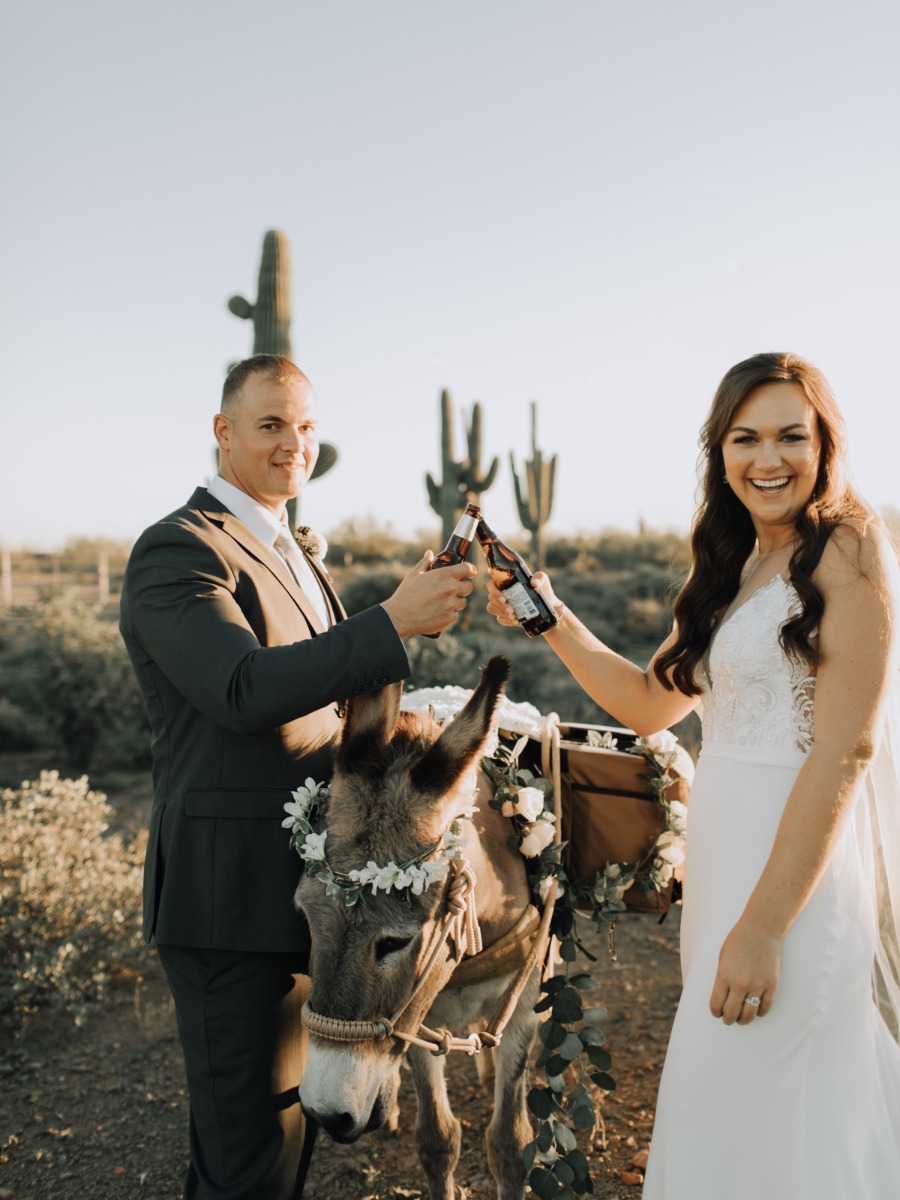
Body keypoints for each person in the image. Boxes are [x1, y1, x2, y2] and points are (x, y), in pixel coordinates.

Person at [487, 352, 900, 1198]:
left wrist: (764, 927)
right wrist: (549, 616)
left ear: (826, 443)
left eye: (792, 435)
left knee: (768, 1113)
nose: (768, 458)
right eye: (745, 438)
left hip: (795, 895)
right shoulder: (738, 560)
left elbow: (844, 752)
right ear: (720, 452)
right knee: (738, 1116)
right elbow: (647, 705)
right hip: (724, 884)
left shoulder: (850, 548)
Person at [119, 353, 476, 1200]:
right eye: (272, 424)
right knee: (246, 1162)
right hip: (227, 905)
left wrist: (402, 633)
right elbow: (242, 690)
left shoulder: (290, 552)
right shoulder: (178, 549)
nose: (293, 444)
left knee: (285, 1154)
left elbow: (329, 708)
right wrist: (388, 623)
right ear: (224, 432)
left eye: (307, 426)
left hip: (306, 901)